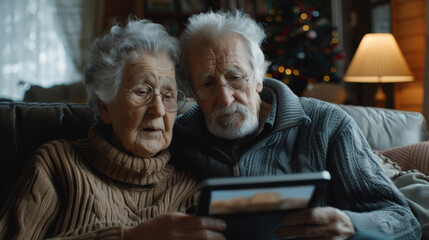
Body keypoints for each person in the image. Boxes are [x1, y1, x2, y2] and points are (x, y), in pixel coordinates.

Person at [171, 10, 422, 239]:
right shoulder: (180, 136)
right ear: (193, 91)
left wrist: (351, 224)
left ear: (259, 78)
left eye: (235, 78)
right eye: (207, 85)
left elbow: (404, 222)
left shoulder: (328, 125)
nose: (225, 99)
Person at [0, 19, 226, 240]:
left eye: (168, 96)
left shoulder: (192, 188)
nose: (158, 110)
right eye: (142, 91)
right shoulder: (55, 166)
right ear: (104, 106)